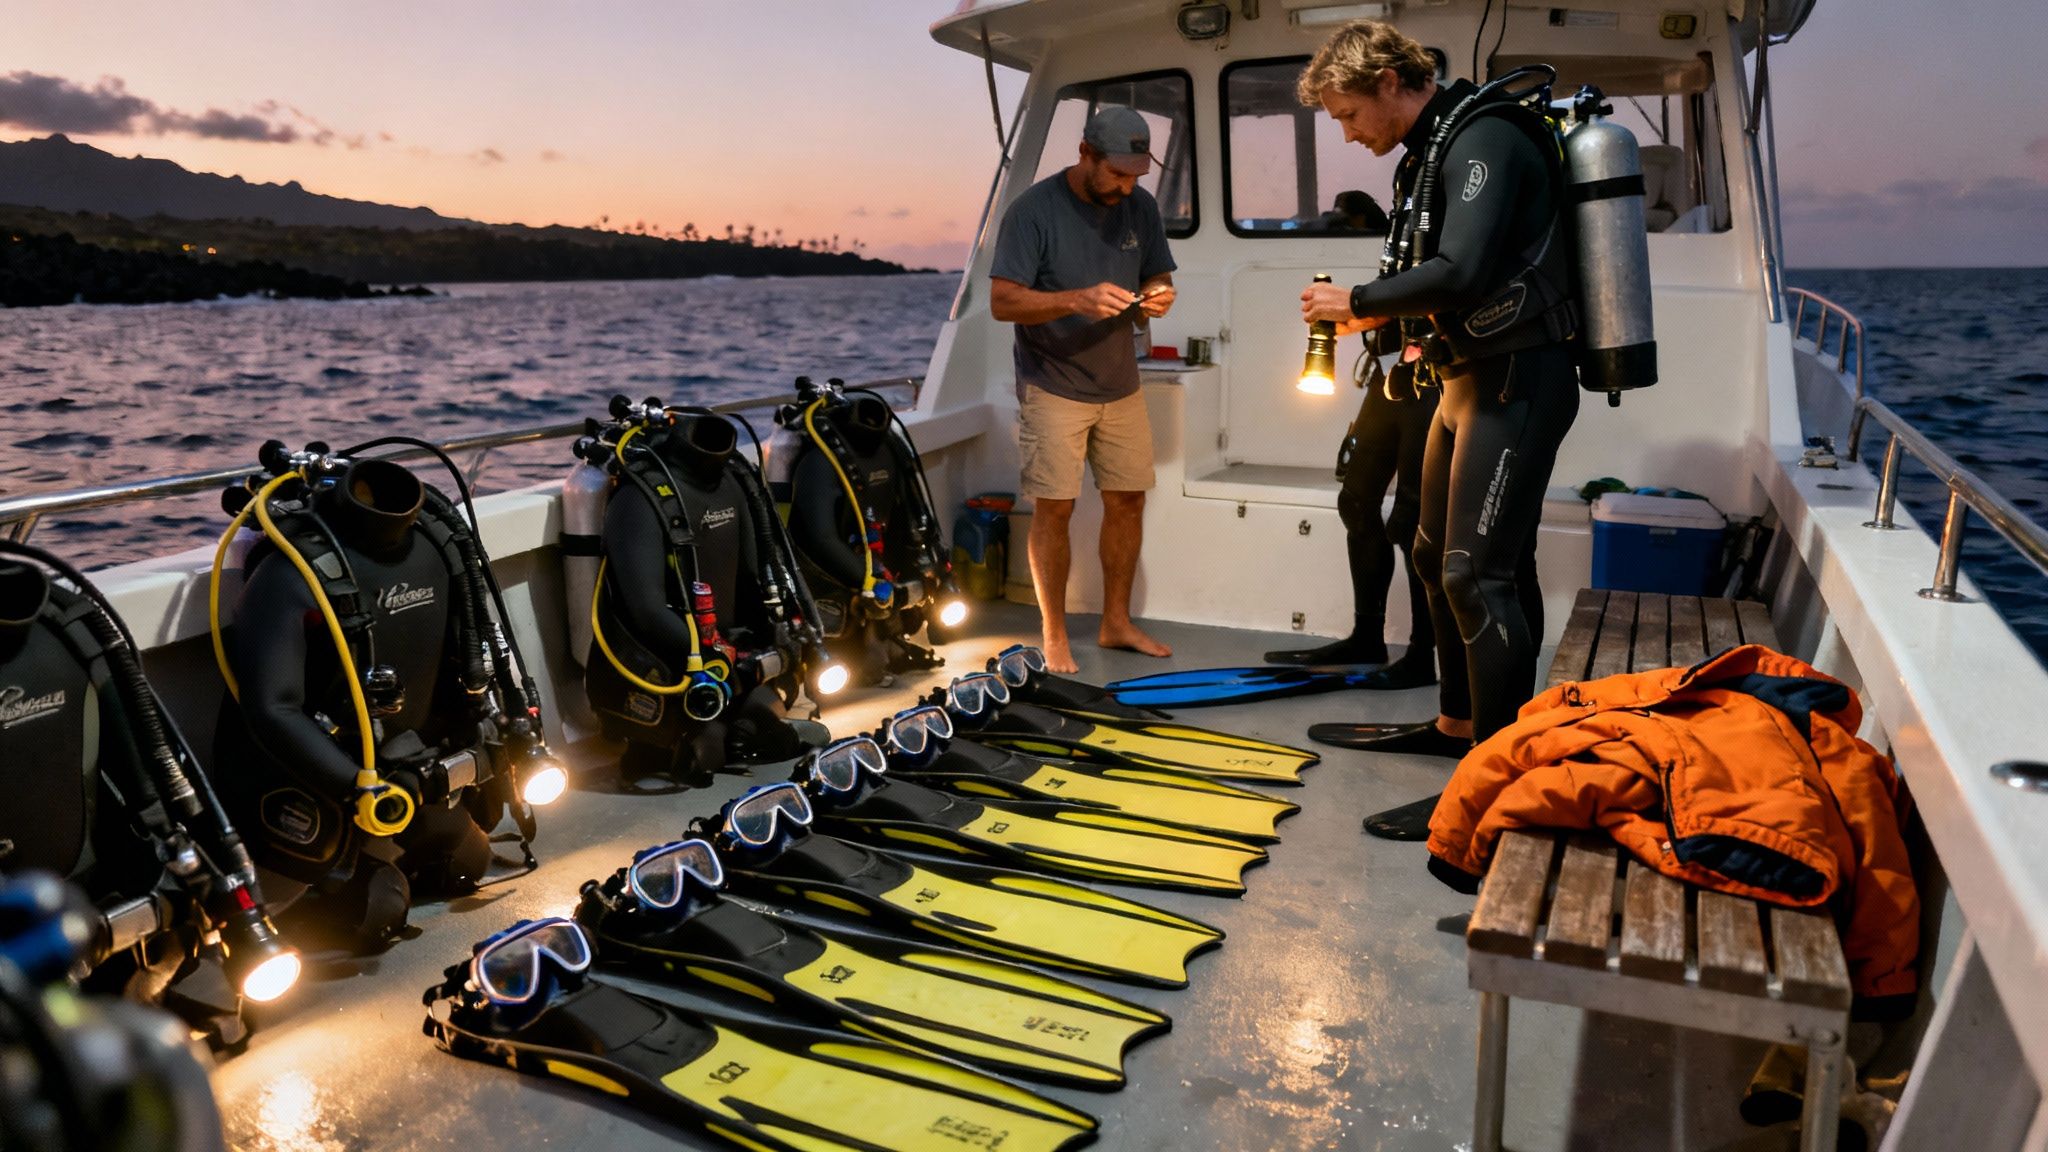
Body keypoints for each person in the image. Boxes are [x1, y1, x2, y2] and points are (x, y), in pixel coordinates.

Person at [1296, 21, 1581, 839]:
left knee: (1476, 577)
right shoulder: (1433, 149)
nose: (1349, 135)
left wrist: (1353, 304)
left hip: (1517, 380)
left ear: (1390, 80)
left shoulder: (1484, 136)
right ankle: (1457, 726)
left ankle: (1496, 783)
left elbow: (1462, 272)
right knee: (1430, 552)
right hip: (1465, 379)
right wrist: (1371, 324)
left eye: (1349, 114)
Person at [989, 105, 1178, 675]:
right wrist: (1075, 299)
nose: (1127, 186)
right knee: (1056, 507)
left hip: (1120, 382)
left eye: (1136, 175)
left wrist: (1160, 291)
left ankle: (1115, 623)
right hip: (1053, 383)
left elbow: (1158, 273)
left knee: (1128, 499)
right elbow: (1002, 302)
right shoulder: (1032, 212)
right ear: (1085, 155)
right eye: (1117, 173)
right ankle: (1053, 633)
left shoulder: (1139, 207)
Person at [588, 409, 823, 785]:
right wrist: (711, 655)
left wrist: (767, 641)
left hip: (720, 659)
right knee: (706, 756)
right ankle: (661, 743)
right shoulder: (639, 499)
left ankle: (731, 725)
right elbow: (645, 610)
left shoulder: (730, 481)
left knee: (774, 729)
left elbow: (752, 577)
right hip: (669, 666)